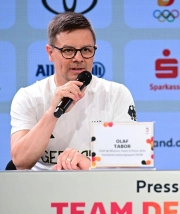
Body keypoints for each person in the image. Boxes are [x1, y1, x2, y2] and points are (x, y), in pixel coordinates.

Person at [10, 12, 136, 170]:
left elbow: (130, 163)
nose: (79, 58)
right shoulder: (28, 97)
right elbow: (20, 161)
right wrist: (52, 112)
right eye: (68, 50)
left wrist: (88, 166)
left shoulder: (116, 94)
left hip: (99, 190)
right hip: (43, 190)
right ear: (50, 53)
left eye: (86, 50)